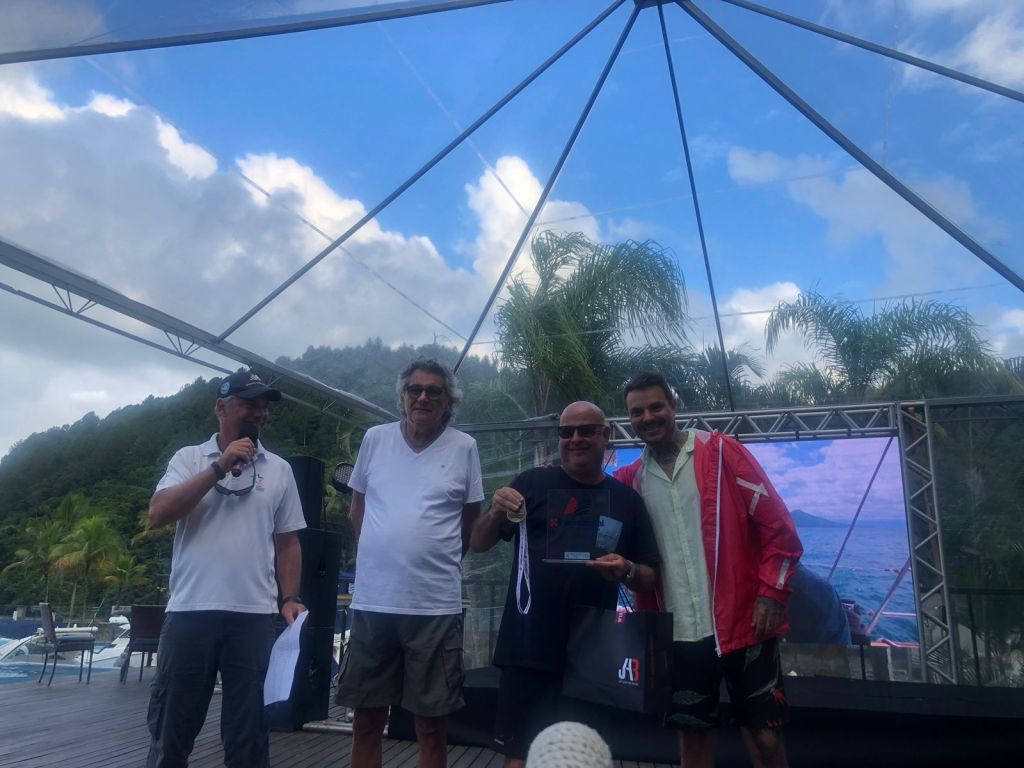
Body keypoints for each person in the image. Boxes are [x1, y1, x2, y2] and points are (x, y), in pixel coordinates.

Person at [615, 371, 803, 768]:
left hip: (744, 624)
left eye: (656, 407)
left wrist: (772, 592)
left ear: (674, 405)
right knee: (692, 737)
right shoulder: (631, 481)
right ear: (628, 418)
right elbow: (588, 497)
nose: (647, 418)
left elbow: (779, 528)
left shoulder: (722, 453)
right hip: (678, 633)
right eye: (637, 412)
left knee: (765, 734)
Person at [471, 401, 660, 768]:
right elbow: (478, 543)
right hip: (527, 645)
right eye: (566, 432)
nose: (575, 439)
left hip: (593, 652)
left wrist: (626, 569)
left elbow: (650, 575)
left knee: (580, 756)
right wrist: (494, 512)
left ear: (605, 435)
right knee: (518, 756)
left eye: (586, 430)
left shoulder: (627, 500)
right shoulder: (531, 483)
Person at [145, 369, 306, 768]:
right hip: (190, 611)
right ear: (221, 407)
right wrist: (219, 466)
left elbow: (288, 542)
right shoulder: (188, 459)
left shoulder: (279, 469)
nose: (260, 414)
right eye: (250, 404)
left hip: (253, 616)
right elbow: (159, 514)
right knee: (171, 730)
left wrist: (289, 597)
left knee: (247, 734)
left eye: (264, 408)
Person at [337, 359, 484, 768]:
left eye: (434, 391)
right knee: (366, 720)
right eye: (414, 389)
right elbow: (357, 509)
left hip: (434, 606)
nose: (423, 397)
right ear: (402, 396)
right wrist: (380, 556)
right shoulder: (375, 439)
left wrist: (435, 560)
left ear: (448, 401)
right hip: (373, 603)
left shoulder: (464, 447)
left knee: (432, 726)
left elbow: (471, 521)